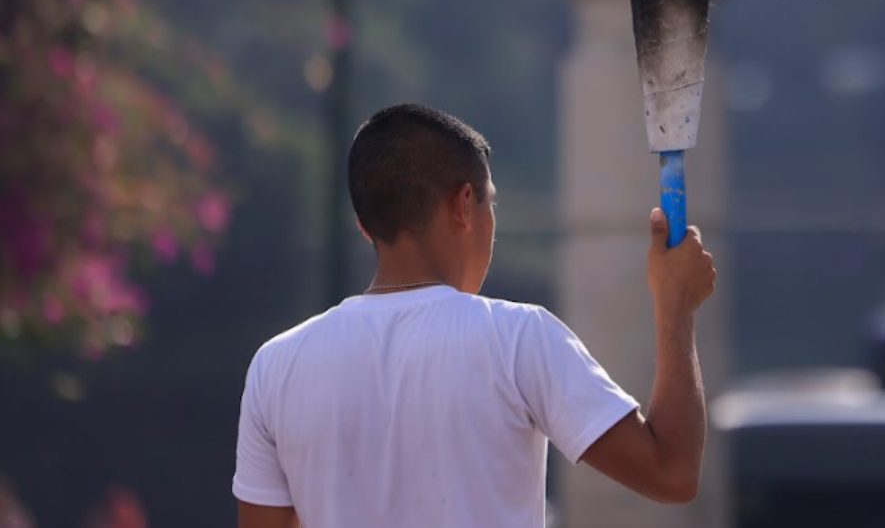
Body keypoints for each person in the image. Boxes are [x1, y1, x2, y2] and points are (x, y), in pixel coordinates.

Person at [233, 103, 717, 528]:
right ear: (465, 204)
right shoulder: (519, 339)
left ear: (364, 226)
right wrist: (675, 307)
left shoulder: (276, 366)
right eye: (492, 202)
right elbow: (671, 473)